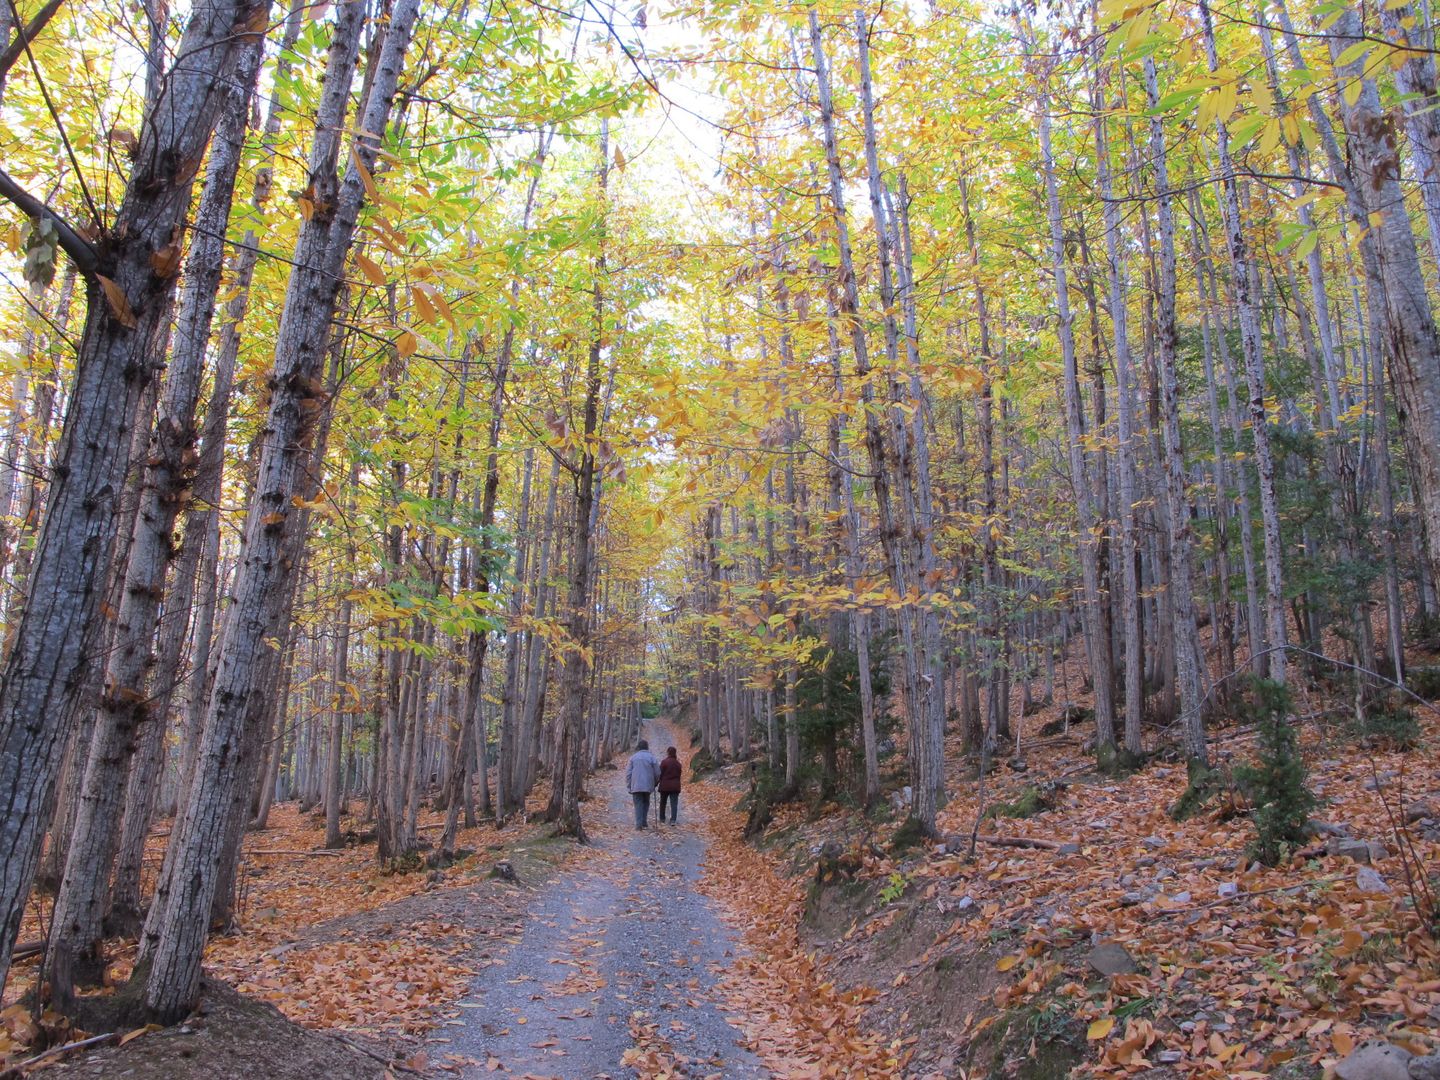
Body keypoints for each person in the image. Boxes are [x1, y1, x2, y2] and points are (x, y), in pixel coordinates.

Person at [625, 739, 660, 829]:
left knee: (638, 803)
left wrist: (629, 785)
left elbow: (628, 773)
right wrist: (655, 782)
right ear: (647, 747)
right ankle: (643, 822)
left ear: (639, 747)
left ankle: (639, 824)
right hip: (647, 785)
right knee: (646, 802)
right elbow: (657, 772)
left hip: (636, 784)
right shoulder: (652, 758)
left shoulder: (633, 758)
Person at [657, 746, 682, 824]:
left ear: (668, 753)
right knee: (674, 803)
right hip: (675, 786)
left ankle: (662, 818)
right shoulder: (678, 764)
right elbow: (679, 774)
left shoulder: (664, 762)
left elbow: (660, 773)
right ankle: (673, 820)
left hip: (665, 786)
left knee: (663, 802)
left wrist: (657, 782)